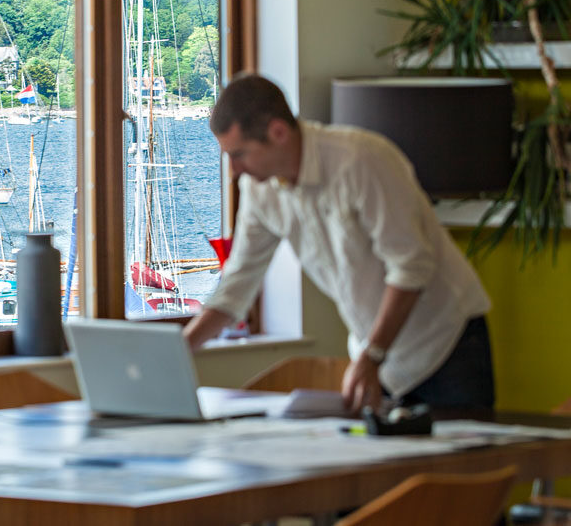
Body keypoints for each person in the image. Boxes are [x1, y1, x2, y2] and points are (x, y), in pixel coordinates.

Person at [183, 73, 495, 412]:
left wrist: (372, 356)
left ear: (278, 132)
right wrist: (179, 352)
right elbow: (237, 286)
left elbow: (412, 265)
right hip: (379, 357)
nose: (233, 170)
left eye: (239, 154)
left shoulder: (362, 160)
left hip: (446, 342)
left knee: (465, 465)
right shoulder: (260, 189)